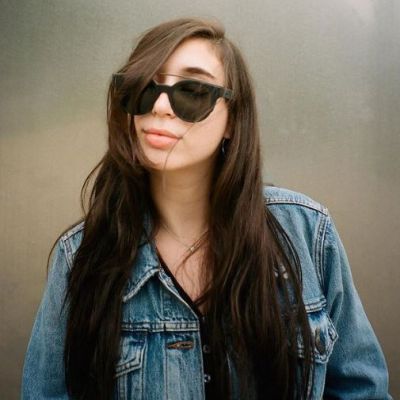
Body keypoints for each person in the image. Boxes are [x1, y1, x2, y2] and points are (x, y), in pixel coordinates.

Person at [22, 17, 392, 400]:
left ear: (233, 119)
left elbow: (361, 390)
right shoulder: (81, 254)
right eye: (144, 87)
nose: (160, 106)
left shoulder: (306, 232)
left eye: (193, 90)